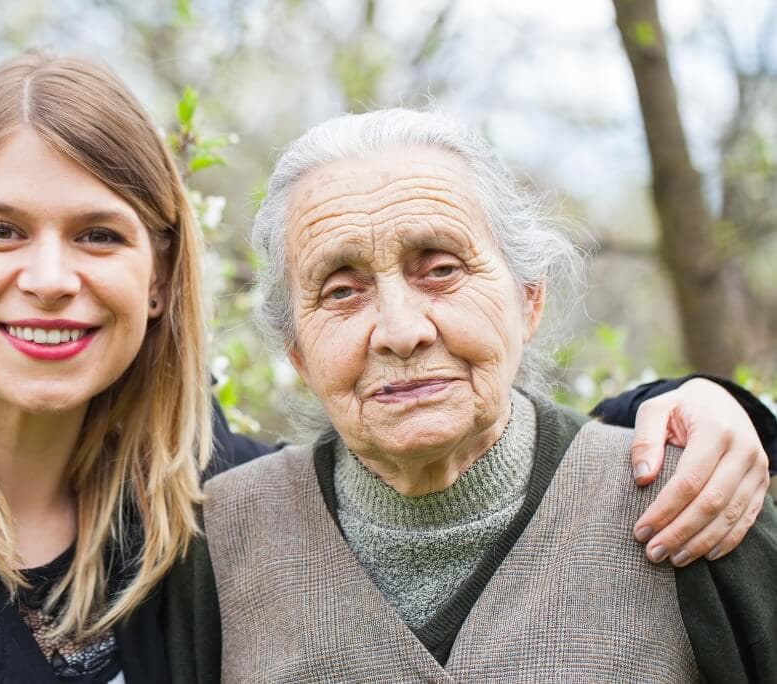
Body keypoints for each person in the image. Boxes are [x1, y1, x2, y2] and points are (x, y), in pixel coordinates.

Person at [0, 56, 771, 684]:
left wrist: (705, 410)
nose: (49, 278)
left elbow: (489, 474)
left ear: (163, 279)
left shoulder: (214, 505)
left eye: (98, 236)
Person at [166, 108, 777, 683]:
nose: (401, 332)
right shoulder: (217, 541)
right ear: (297, 353)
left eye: (440, 270)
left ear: (528, 299)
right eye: (341, 291)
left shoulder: (696, 496)